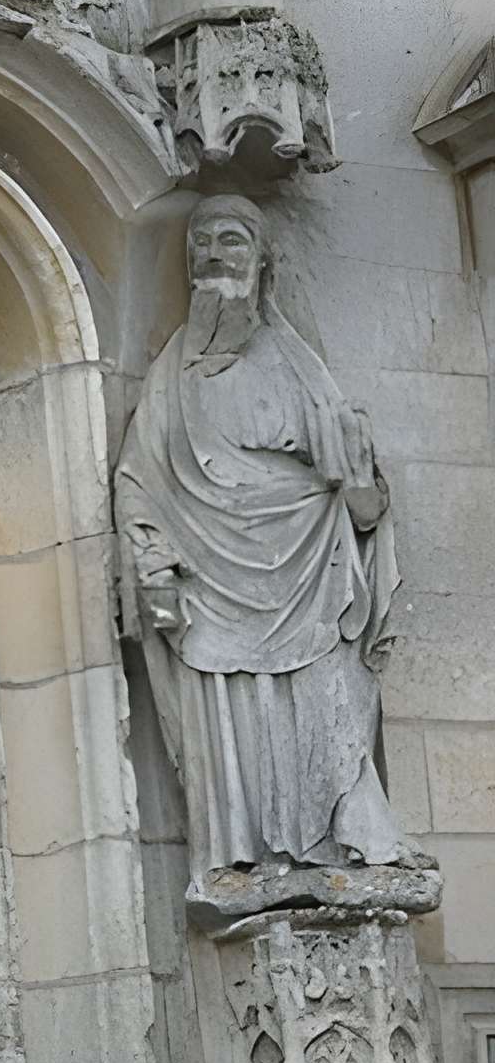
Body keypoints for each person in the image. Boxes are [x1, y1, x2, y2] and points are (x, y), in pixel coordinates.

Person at [116, 194, 420, 904]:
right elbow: (138, 479)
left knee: (335, 706)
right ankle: (237, 858)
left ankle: (362, 841)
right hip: (211, 575)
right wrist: (150, 551)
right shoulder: (171, 380)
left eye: (233, 241)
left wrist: (360, 477)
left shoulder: (299, 366)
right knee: (229, 715)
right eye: (203, 245)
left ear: (263, 263)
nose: (216, 255)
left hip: (310, 568)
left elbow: (363, 503)